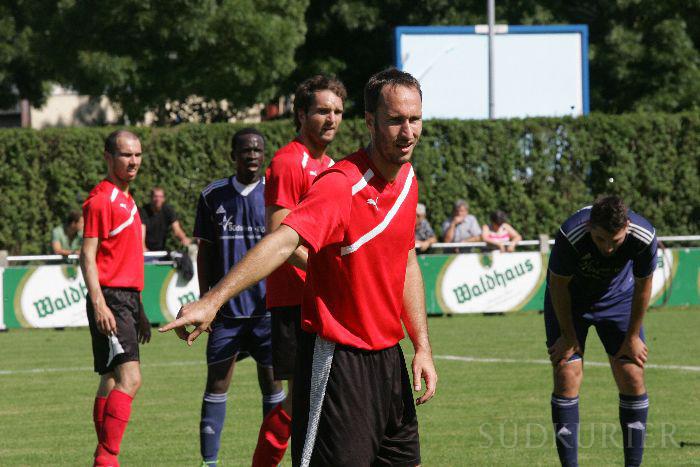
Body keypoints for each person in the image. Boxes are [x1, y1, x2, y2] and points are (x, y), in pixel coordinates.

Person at [160, 68, 437, 466]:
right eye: (395, 120)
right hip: (339, 361)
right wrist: (214, 299)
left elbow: (406, 260)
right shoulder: (341, 184)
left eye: (414, 119)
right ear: (371, 122)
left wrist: (422, 347)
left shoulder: (408, 180)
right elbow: (282, 239)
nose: (407, 131)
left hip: (389, 361)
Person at [252, 74, 346, 466]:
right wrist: (333, 275)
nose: (332, 119)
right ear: (301, 114)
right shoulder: (288, 162)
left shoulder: (333, 167)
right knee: (301, 400)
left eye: (338, 111)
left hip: (322, 299)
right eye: (322, 111)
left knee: (323, 397)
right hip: (295, 300)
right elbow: (279, 238)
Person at [193, 128, 284, 466]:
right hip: (226, 314)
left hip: (267, 311)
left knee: (273, 385)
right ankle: (209, 462)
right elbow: (205, 251)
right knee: (216, 383)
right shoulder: (212, 195)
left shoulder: (276, 195)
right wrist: (206, 300)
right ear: (233, 155)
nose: (252, 155)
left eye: (258, 149)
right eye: (245, 150)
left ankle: (269, 461)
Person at [545, 196, 657, 467]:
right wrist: (569, 336)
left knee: (632, 374)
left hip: (618, 300)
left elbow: (644, 287)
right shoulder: (571, 234)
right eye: (600, 240)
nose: (608, 249)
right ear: (590, 228)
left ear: (627, 227)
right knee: (566, 373)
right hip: (570, 301)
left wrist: (632, 337)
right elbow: (558, 287)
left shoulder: (644, 236)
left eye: (615, 241)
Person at [80, 130, 151, 466]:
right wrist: (99, 302)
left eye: (137, 154)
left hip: (125, 299)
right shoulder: (101, 201)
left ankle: (105, 458)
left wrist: (139, 309)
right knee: (130, 378)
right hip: (111, 298)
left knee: (110, 378)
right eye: (125, 155)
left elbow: (125, 259)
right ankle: (106, 459)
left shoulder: (127, 198)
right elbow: (87, 255)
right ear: (108, 158)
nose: (133, 161)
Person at [140, 187, 191, 252]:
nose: (158, 199)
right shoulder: (143, 211)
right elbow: (141, 232)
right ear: (151, 198)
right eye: (155, 196)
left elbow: (177, 230)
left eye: (160, 197)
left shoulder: (168, 210)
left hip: (161, 250)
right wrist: (143, 248)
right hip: (146, 250)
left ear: (164, 199)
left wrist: (183, 238)